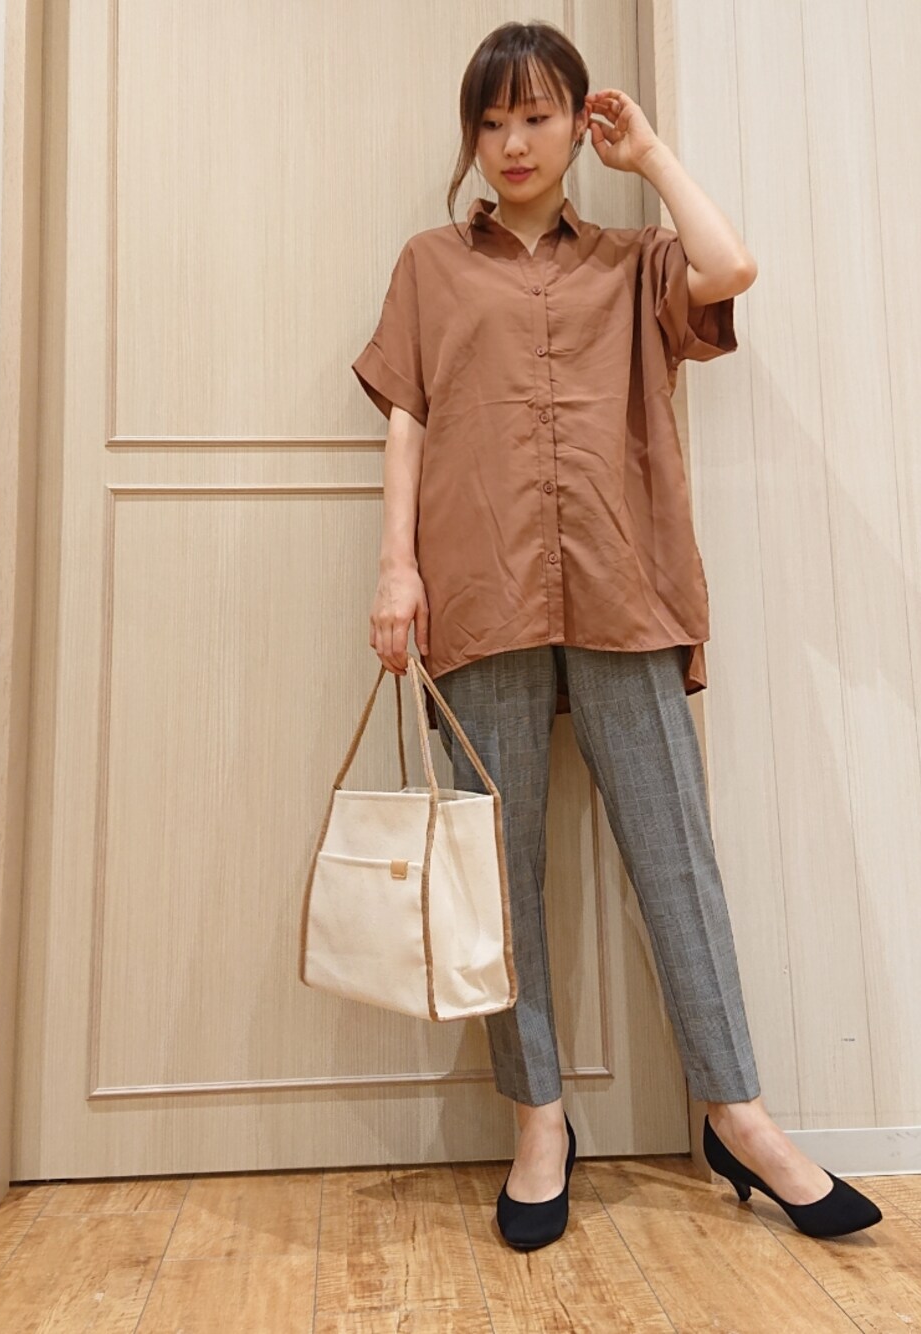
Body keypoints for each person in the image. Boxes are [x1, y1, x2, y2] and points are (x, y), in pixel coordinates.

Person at [352, 20, 882, 1251]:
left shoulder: (636, 262)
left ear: (575, 124)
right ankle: (538, 1121)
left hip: (622, 582)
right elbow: (407, 417)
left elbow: (731, 266)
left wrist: (648, 156)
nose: (513, 142)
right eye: (491, 121)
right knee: (500, 873)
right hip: (477, 587)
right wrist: (395, 565)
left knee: (675, 856)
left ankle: (738, 1114)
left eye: (537, 116)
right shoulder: (430, 265)